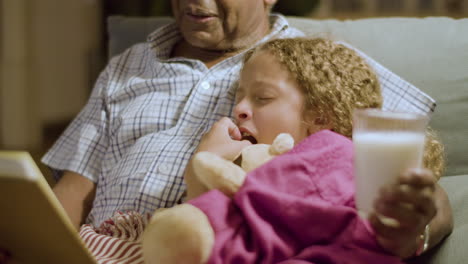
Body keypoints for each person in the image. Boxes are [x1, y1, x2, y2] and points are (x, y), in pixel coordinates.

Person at [41, 0, 452, 260]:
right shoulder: (127, 65)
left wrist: (412, 229)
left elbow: (417, 173)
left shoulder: (315, 63)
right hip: (102, 245)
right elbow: (74, 191)